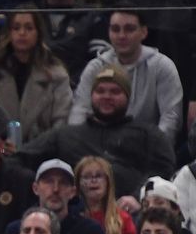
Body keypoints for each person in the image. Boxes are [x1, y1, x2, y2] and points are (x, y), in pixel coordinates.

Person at [28, 65, 177, 197]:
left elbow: (164, 169)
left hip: (131, 212)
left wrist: (137, 197)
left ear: (128, 96)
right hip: (76, 215)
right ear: (91, 95)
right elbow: (18, 158)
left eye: (115, 91)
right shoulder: (65, 135)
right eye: (100, 91)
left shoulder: (149, 135)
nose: (106, 97)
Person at [65, 9, 184, 138]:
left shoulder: (162, 66)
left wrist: (157, 150)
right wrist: (77, 146)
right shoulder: (96, 66)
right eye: (115, 29)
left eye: (129, 29)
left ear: (144, 32)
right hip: (99, 147)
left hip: (147, 147)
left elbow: (171, 118)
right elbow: (79, 111)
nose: (121, 36)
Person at [0, 10, 74, 151]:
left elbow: (61, 125)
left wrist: (31, 150)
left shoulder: (57, 76)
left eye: (28, 28)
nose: (22, 33)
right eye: (16, 28)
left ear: (38, 33)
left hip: (42, 154)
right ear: (9, 33)